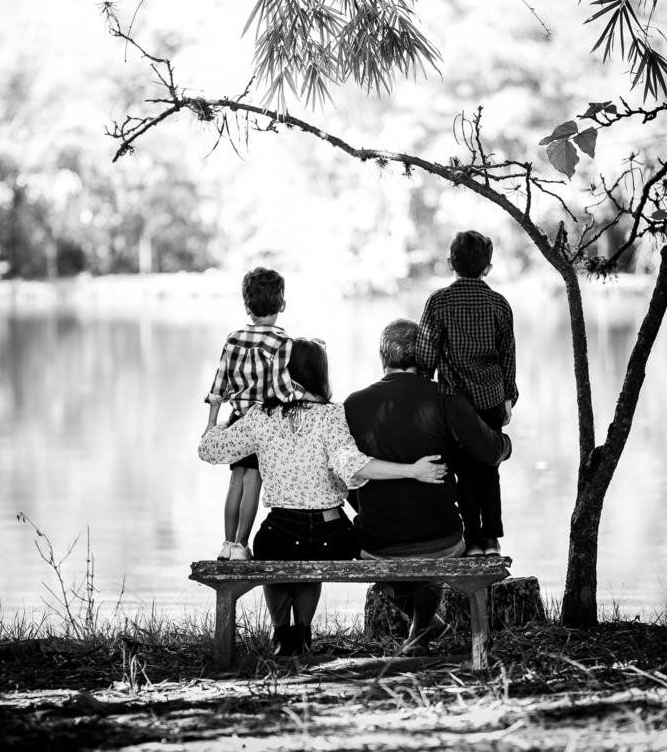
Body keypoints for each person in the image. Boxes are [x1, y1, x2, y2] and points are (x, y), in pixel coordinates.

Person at [199, 338, 447, 656]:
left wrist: (213, 420)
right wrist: (411, 470)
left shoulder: (261, 417)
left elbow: (209, 449)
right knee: (313, 553)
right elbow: (353, 467)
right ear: (320, 374)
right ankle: (302, 632)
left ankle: (283, 636)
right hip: (332, 536)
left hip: (280, 533)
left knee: (273, 549)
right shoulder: (331, 415)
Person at [346, 318, 513, 652]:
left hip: (376, 544)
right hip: (441, 539)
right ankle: (423, 627)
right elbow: (490, 453)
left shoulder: (352, 405)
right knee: (435, 532)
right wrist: (505, 442)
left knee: (370, 536)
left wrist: (367, 506)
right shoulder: (446, 398)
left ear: (383, 358)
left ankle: (422, 629)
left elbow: (340, 475)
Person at [414, 230, 519, 557]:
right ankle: (491, 540)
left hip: (453, 404)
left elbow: (425, 354)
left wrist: (423, 390)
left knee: (462, 470)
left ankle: (471, 540)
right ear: (488, 267)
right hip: (489, 402)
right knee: (488, 468)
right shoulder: (499, 303)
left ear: (450, 264)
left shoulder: (438, 302)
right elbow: (508, 356)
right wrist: (507, 397)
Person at [204, 267, 302, 561]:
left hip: (237, 421)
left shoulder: (233, 339)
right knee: (253, 481)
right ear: (282, 304)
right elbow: (284, 390)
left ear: (247, 307)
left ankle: (226, 543)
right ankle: (242, 546)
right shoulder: (283, 342)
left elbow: (218, 387)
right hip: (264, 424)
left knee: (236, 481)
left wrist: (211, 426)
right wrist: (306, 397)